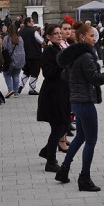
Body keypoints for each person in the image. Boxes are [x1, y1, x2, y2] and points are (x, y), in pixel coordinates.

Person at [54, 22, 104, 191]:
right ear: (82, 37)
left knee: (81, 137)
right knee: (90, 140)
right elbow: (96, 79)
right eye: (91, 35)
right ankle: (84, 178)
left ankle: (64, 169)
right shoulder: (86, 56)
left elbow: (64, 75)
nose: (94, 38)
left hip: (76, 100)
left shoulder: (73, 55)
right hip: (85, 102)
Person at [36, 24, 70, 173]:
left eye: (59, 33)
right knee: (58, 126)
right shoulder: (49, 51)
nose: (59, 35)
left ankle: (46, 151)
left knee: (63, 125)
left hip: (62, 92)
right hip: (52, 94)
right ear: (48, 37)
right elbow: (48, 73)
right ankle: (51, 161)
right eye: (55, 33)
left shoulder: (60, 49)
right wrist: (63, 65)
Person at [18, 17, 44, 95]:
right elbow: (41, 41)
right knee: (35, 72)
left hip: (24, 55)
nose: (33, 23)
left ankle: (20, 87)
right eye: (32, 21)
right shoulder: (34, 32)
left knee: (26, 71)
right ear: (28, 23)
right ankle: (32, 89)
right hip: (34, 55)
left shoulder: (20, 31)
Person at [3, 23, 25, 97]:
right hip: (20, 59)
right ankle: (16, 92)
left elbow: (5, 49)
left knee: (7, 74)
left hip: (11, 59)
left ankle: (10, 89)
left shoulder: (7, 38)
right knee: (16, 75)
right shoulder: (20, 38)